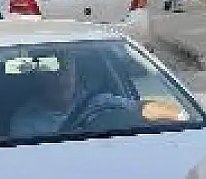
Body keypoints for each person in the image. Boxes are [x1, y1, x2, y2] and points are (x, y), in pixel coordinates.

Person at [9, 52, 180, 140]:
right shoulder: (26, 123)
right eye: (52, 71)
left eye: (66, 69)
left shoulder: (101, 101)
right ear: (39, 77)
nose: (61, 77)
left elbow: (142, 108)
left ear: (76, 74)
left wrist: (181, 116)